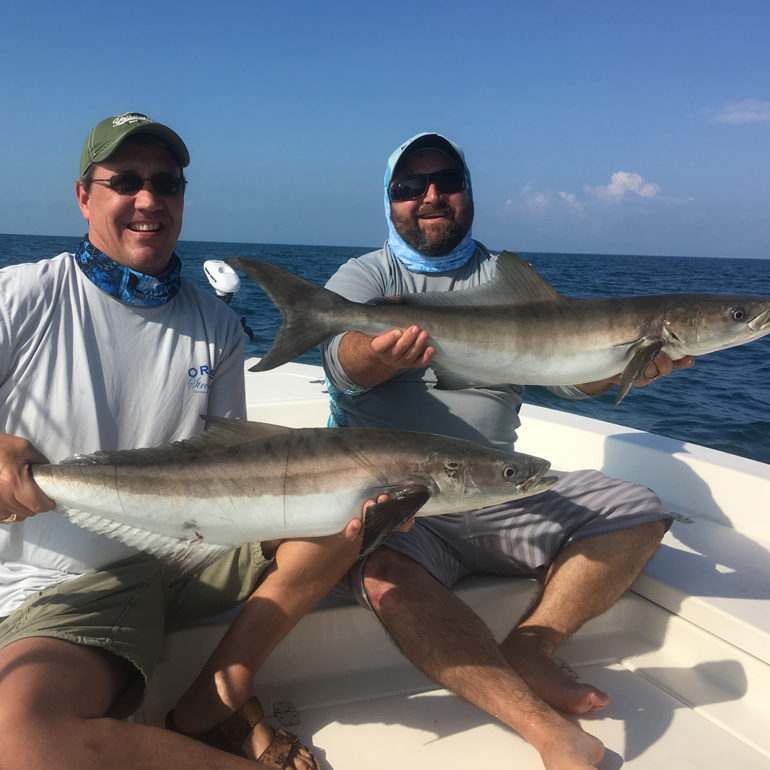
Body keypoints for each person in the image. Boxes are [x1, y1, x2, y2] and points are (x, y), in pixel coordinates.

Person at [0, 112, 373, 770]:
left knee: (348, 515)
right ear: (85, 195)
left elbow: (229, 461)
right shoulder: (22, 297)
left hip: (191, 549)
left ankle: (217, 694)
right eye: (127, 181)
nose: (149, 199)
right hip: (70, 581)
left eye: (167, 183)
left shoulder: (216, 325)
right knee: (22, 740)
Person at [321, 132, 695, 770]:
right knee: (384, 575)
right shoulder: (368, 276)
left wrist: (622, 372)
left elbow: (566, 372)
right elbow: (339, 364)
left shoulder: (507, 277)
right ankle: (549, 734)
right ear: (390, 203)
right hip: (407, 502)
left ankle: (532, 645)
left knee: (638, 508)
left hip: (503, 487)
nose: (430, 196)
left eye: (446, 181)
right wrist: (376, 356)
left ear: (468, 191)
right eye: (410, 188)